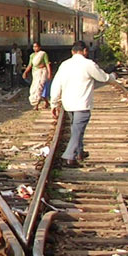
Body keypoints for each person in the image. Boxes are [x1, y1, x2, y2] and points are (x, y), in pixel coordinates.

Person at [50, 40, 116, 168]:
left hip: (68, 104)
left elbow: (56, 84)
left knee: (76, 129)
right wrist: (113, 76)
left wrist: (54, 103)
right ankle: (69, 157)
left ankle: (79, 153)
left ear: (72, 51)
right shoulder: (88, 64)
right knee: (77, 131)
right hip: (82, 103)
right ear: (85, 51)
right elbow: (103, 78)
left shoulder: (64, 65)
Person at [24, 41, 51, 110]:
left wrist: (49, 73)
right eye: (34, 47)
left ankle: (36, 105)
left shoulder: (43, 54)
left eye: (36, 46)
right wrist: (25, 72)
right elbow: (30, 65)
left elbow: (47, 64)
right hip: (35, 73)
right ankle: (45, 103)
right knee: (35, 88)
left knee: (39, 88)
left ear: (39, 47)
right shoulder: (32, 55)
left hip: (42, 72)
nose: (35, 48)